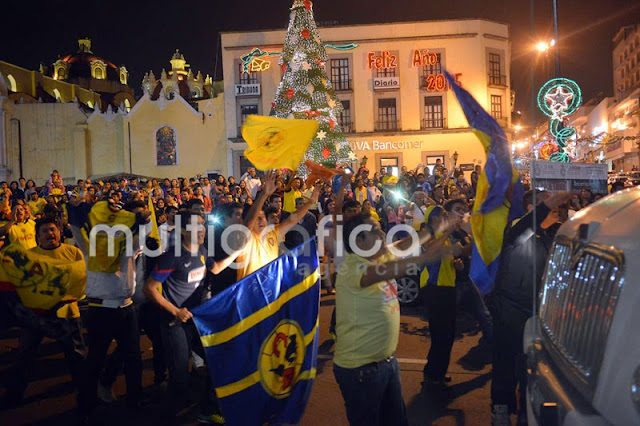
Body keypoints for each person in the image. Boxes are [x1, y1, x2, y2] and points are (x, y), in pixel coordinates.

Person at [333, 213, 453, 426]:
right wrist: (425, 258)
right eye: (375, 231)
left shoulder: (380, 256)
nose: (382, 233)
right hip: (360, 370)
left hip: (387, 362)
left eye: (380, 228)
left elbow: (405, 244)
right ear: (358, 241)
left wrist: (434, 228)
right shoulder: (351, 268)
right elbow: (383, 272)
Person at [490, 190, 571, 426]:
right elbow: (527, 226)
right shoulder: (518, 231)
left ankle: (526, 411)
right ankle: (501, 409)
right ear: (531, 209)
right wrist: (553, 201)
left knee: (532, 365)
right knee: (506, 363)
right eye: (548, 206)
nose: (556, 211)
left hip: (536, 311)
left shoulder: (550, 235)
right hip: (510, 309)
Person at [143, 212, 224, 424]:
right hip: (175, 323)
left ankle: (205, 408)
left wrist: (239, 252)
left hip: (196, 321)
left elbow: (216, 268)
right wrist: (175, 311)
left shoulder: (203, 251)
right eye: (195, 226)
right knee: (180, 376)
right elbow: (149, 288)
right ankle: (167, 417)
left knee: (215, 361)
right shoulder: (173, 256)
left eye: (202, 225)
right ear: (182, 230)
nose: (201, 229)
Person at [2, 218, 86, 407]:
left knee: (76, 354)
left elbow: (82, 279)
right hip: (36, 314)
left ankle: (85, 392)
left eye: (53, 229)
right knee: (24, 354)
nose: (50, 234)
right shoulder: (29, 256)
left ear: (59, 232)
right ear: (38, 236)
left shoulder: (73, 252)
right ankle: (14, 393)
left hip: (67, 313)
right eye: (45, 231)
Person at [236, 171, 320, 280]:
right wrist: (264, 194)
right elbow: (248, 224)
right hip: (250, 289)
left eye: (262, 217)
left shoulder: (273, 233)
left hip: (271, 287)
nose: (261, 221)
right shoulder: (243, 237)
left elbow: (292, 220)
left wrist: (310, 203)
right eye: (257, 218)